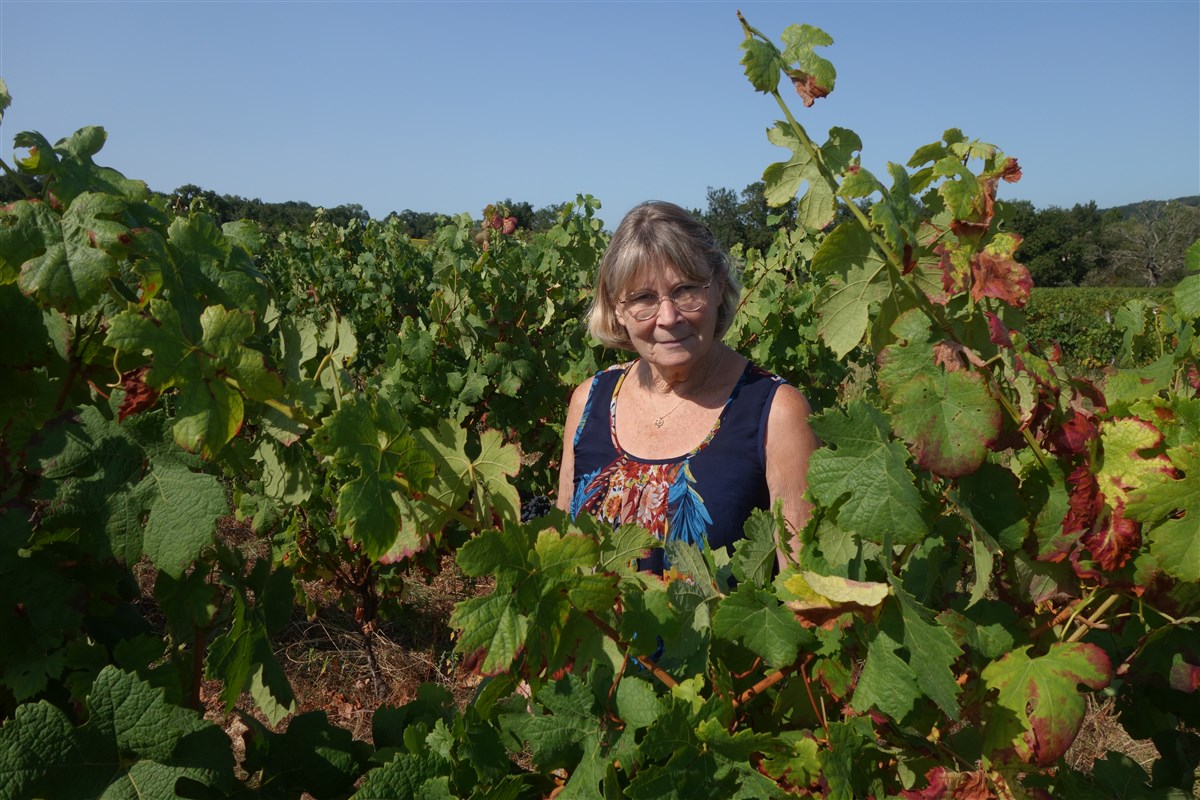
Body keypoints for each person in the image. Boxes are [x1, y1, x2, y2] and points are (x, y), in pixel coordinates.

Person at [556, 201, 818, 575]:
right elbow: (565, 555)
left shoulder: (776, 412)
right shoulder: (588, 401)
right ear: (618, 309)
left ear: (718, 288)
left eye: (685, 290)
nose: (668, 317)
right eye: (644, 298)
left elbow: (805, 587)